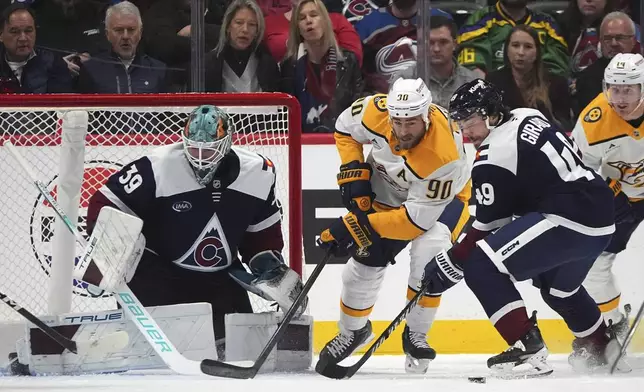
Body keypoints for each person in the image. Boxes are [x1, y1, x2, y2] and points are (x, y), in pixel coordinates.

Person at [421, 78, 621, 377]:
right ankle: (601, 345)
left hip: (568, 218)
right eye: (459, 122)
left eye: (469, 120)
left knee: (480, 265)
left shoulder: (492, 156)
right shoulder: (528, 114)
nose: (465, 131)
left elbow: (488, 226)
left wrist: (452, 261)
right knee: (558, 288)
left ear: (489, 114)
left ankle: (529, 349)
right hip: (601, 217)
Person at [86, 105, 306, 357]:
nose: (200, 157)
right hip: (158, 275)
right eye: (193, 148)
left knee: (239, 352)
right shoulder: (158, 167)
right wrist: (108, 251)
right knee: (146, 355)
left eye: (209, 149)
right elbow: (107, 202)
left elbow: (260, 231)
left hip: (217, 277)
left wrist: (270, 269)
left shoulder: (259, 172)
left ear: (227, 144)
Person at [315, 78, 471, 373]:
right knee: (362, 267)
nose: (402, 130)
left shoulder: (443, 155)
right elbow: (344, 128)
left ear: (425, 115)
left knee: (430, 256)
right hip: (387, 192)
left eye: (411, 122)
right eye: (397, 121)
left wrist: (353, 226)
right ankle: (352, 332)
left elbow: (413, 222)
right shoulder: (376, 110)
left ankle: (417, 334)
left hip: (442, 201)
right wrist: (352, 168)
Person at [572, 53, 644, 339]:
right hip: (621, 196)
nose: (620, 98)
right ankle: (613, 325)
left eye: (628, 89)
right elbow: (580, 175)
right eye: (614, 88)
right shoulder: (592, 123)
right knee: (593, 265)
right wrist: (604, 191)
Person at [280, 0, 363, 133]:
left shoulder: (347, 61)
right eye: (302, 18)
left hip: (342, 139)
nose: (308, 21)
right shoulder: (290, 66)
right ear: (298, 29)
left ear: (325, 21)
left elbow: (358, 108)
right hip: (302, 142)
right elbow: (285, 116)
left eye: (314, 15)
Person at [487, 25, 572, 130]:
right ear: (507, 50)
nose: (521, 52)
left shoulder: (556, 83)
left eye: (528, 47)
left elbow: (565, 125)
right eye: (515, 45)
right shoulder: (493, 81)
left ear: (537, 52)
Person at [457, 0, 569, 78]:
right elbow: (471, 66)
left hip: (538, 93)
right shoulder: (480, 20)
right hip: (492, 93)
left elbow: (558, 68)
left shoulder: (547, 23)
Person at [77, 1, 168, 93]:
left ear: (140, 33)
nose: (125, 36)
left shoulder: (158, 70)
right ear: (107, 34)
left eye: (131, 30)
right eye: (119, 30)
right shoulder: (91, 70)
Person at [204, 0, 280, 93]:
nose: (245, 30)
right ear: (228, 26)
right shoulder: (208, 64)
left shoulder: (267, 64)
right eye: (239, 22)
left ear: (257, 31)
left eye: (252, 24)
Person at [574, 12, 639, 116]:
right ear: (600, 41)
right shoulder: (587, 78)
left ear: (633, 40)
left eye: (620, 38)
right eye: (608, 39)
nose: (614, 43)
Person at [0, 2, 72, 93]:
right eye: (15, 32)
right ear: (1, 35)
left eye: (28, 31)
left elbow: (62, 104)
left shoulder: (53, 63)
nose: (23, 38)